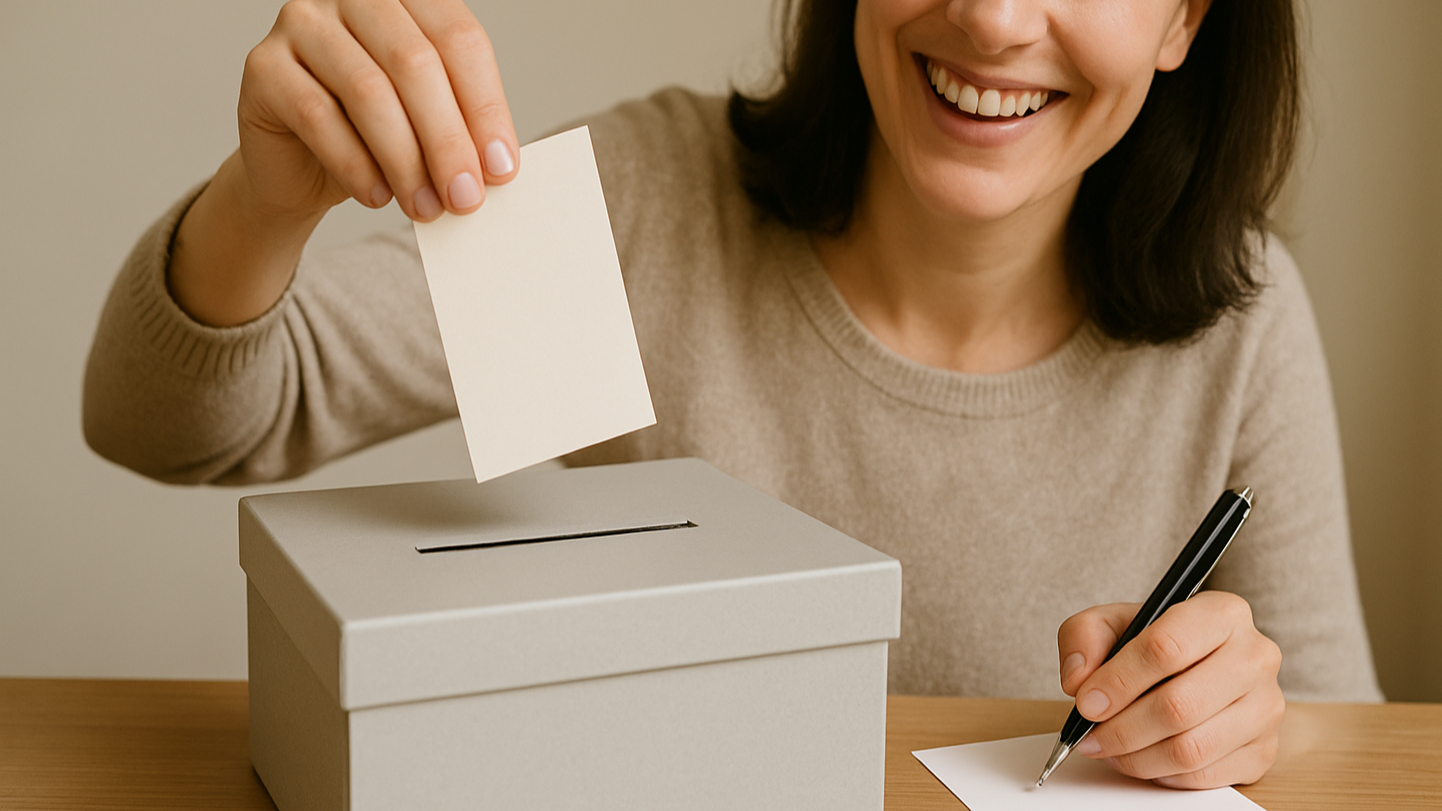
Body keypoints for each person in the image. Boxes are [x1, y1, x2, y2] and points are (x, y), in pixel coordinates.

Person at [83, 0, 1383, 791]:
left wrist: (1247, 719)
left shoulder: (1241, 316)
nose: (993, 21)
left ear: (1184, 21)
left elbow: (1348, 732)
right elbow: (171, 425)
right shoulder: (648, 208)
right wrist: (264, 199)